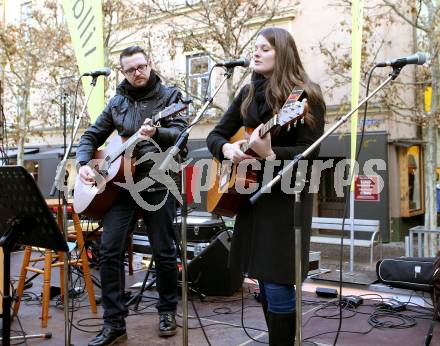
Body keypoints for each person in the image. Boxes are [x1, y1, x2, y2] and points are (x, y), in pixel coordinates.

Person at [207, 27, 325, 345]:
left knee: (278, 283)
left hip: (286, 201)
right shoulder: (247, 93)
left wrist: (270, 153)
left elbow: (311, 156)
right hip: (249, 196)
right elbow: (215, 134)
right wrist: (228, 150)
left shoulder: (305, 97)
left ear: (282, 53)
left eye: (264, 48)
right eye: (255, 48)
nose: (255, 53)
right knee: (263, 282)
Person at [76, 45, 187, 346]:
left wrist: (157, 134)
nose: (137, 73)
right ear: (123, 72)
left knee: (163, 251)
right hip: (120, 186)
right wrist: (85, 164)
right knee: (109, 251)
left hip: (157, 181)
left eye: (141, 66)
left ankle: (167, 311)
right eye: (130, 69)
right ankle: (114, 323)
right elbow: (90, 136)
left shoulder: (170, 98)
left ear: (150, 64)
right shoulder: (117, 102)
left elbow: (181, 137)